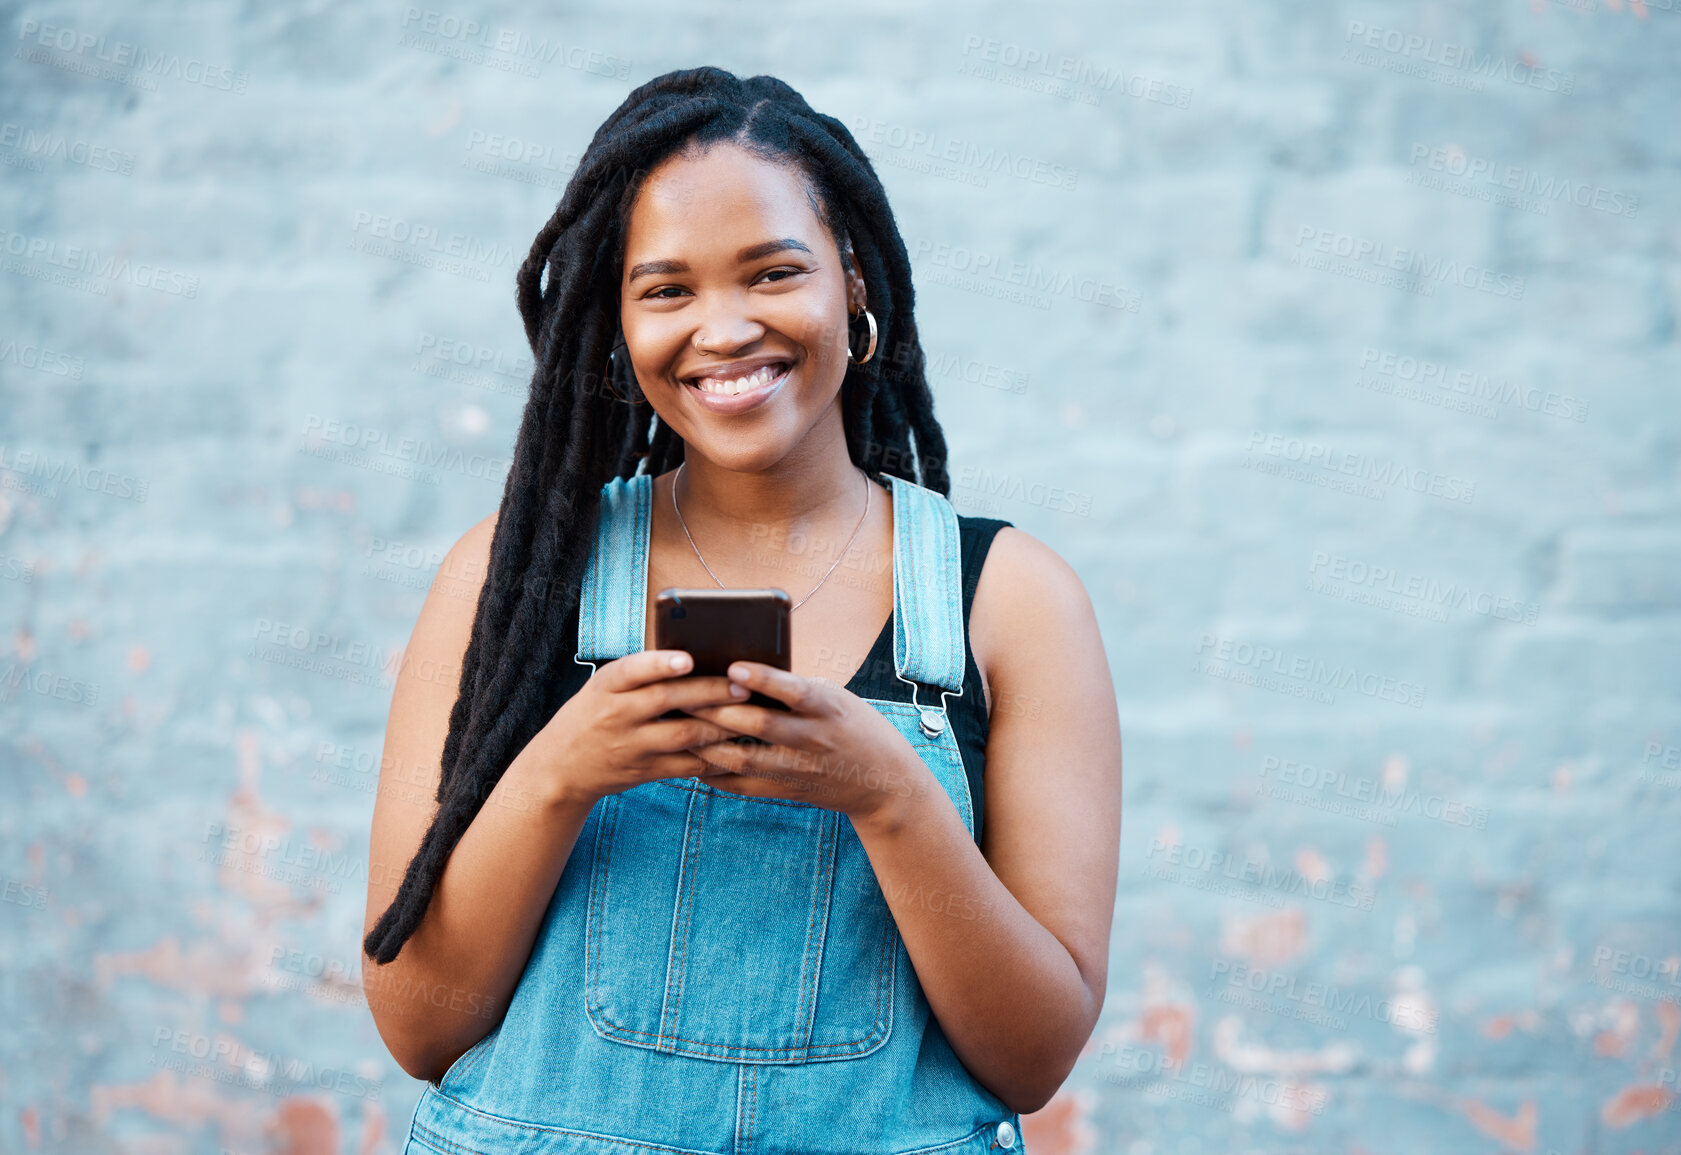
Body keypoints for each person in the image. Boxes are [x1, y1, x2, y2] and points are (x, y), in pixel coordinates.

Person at [361, 66, 1120, 1155]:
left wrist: (890, 796)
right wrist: (564, 767)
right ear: (614, 323)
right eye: (666, 290)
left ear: (852, 282)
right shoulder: (513, 582)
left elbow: (1033, 1059)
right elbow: (419, 1027)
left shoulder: (1012, 601)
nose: (724, 329)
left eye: (772, 272)